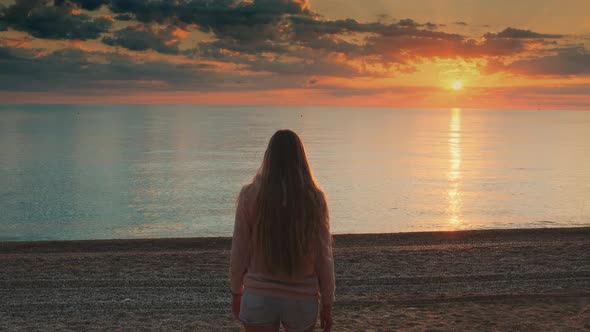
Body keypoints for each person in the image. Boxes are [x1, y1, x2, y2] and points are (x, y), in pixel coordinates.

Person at [230, 129, 335, 332]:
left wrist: (236, 291)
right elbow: (324, 257)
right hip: (302, 300)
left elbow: (239, 251)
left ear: (269, 157)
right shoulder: (314, 199)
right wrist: (327, 303)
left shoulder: (250, 195)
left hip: (259, 296)